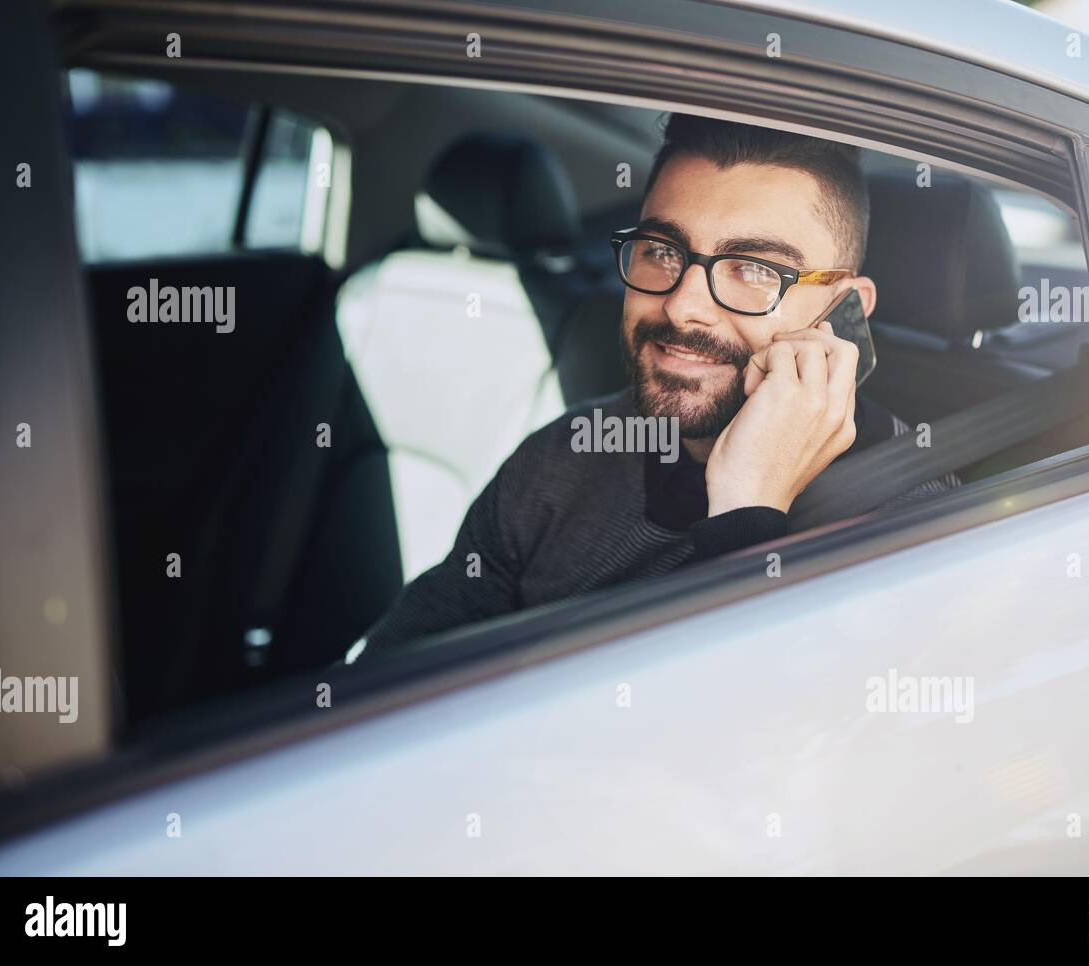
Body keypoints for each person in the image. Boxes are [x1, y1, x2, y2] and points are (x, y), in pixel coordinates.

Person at [351, 113, 954, 659]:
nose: (683, 304)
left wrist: (747, 508)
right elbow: (385, 677)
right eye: (662, 252)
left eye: (754, 269)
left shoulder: (927, 532)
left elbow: (770, 753)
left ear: (846, 309)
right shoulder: (564, 458)